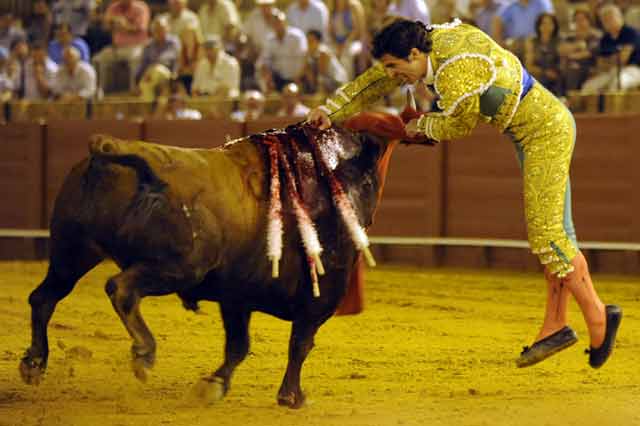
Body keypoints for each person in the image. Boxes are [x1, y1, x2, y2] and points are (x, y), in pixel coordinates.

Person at [307, 18, 622, 369]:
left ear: (413, 54)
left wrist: (418, 125)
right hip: (538, 128)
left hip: (545, 132)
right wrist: (331, 110)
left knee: (549, 235)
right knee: (557, 235)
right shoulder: (428, 45)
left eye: (397, 67)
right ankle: (556, 324)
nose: (394, 76)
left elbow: (459, 123)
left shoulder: (454, 67)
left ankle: (597, 317)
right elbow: (378, 78)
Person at [581, 4, 640, 93]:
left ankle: (617, 107)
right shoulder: (605, 39)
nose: (607, 21)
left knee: (617, 83)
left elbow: (622, 59)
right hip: (611, 71)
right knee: (588, 87)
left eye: (610, 17)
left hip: (633, 69)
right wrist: (613, 59)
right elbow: (600, 63)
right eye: (604, 19)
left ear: (619, 17)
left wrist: (608, 60)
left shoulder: (631, 33)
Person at [524, 13, 563, 95]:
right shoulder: (532, 42)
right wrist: (545, 72)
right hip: (538, 77)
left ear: (554, 26)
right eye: (544, 23)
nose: (547, 27)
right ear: (538, 26)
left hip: (557, 78)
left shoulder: (559, 42)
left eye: (550, 24)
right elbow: (529, 66)